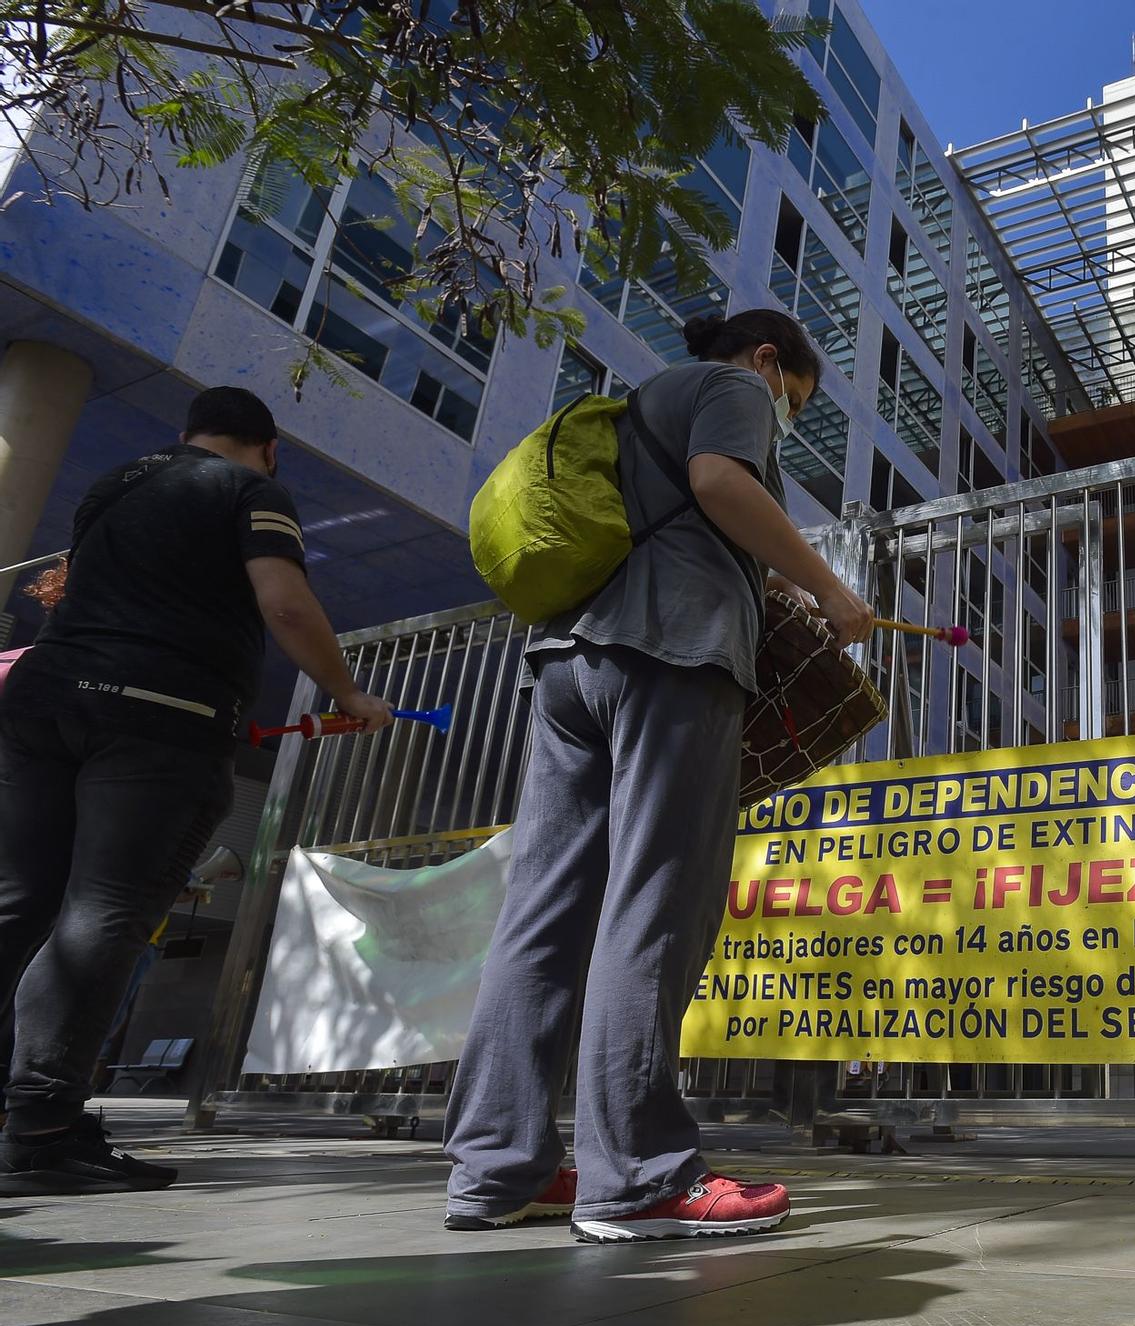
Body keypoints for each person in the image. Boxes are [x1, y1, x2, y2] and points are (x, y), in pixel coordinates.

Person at [444, 309, 873, 1243]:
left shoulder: (644, 403)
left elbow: (687, 503)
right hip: (672, 656)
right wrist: (831, 587)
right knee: (658, 903)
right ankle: (636, 1176)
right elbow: (721, 482)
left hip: (568, 666)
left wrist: (772, 581)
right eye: (793, 400)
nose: (785, 416)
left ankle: (495, 1169)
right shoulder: (731, 388)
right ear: (769, 360)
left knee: (542, 914)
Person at [0, 386, 392, 1194]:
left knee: (17, 902)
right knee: (104, 913)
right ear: (268, 445)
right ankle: (39, 1131)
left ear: (185, 435)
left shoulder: (117, 483)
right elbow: (283, 601)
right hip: (161, 714)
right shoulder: (249, 488)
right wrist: (349, 694)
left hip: (43, 702)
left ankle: (30, 1117)